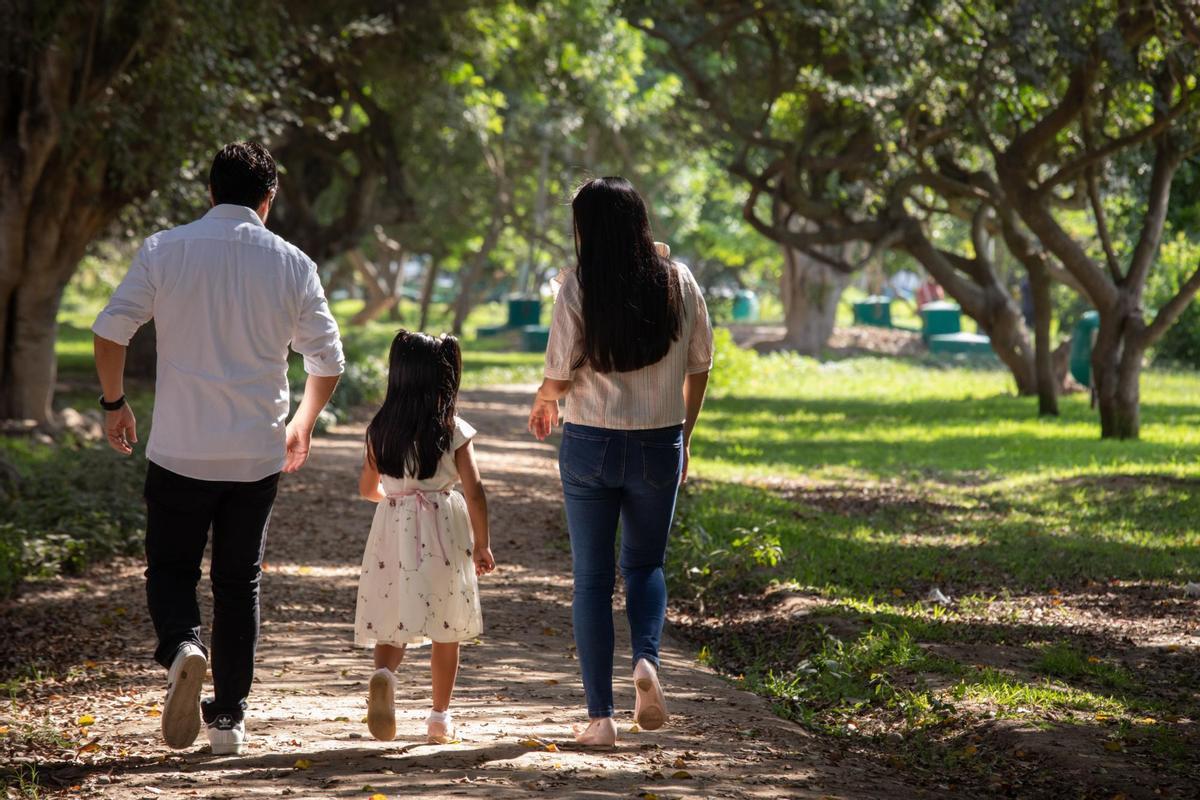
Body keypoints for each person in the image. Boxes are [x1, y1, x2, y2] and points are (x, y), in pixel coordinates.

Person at [92, 142, 344, 755]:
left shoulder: (164, 248)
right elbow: (328, 360)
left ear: (209, 192)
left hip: (179, 447)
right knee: (239, 582)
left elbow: (109, 327)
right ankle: (228, 720)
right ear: (270, 198)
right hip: (256, 453)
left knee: (172, 570)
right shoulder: (293, 263)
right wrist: (303, 424)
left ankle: (183, 646)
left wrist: (113, 402)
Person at [528, 177, 713, 747]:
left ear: (586, 229)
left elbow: (559, 376)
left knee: (591, 578)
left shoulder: (578, 285)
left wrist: (541, 400)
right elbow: (700, 363)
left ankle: (600, 718)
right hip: (659, 440)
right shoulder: (678, 281)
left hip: (590, 444)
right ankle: (648, 661)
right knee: (645, 566)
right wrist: (684, 433)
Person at [354, 331, 496, 744]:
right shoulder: (453, 430)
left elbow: (366, 489)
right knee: (446, 626)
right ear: (446, 379)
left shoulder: (380, 429)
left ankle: (383, 676)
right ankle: (438, 718)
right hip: (442, 532)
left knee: (392, 616)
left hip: (393, 530)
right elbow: (475, 492)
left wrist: (395, 498)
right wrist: (483, 543)